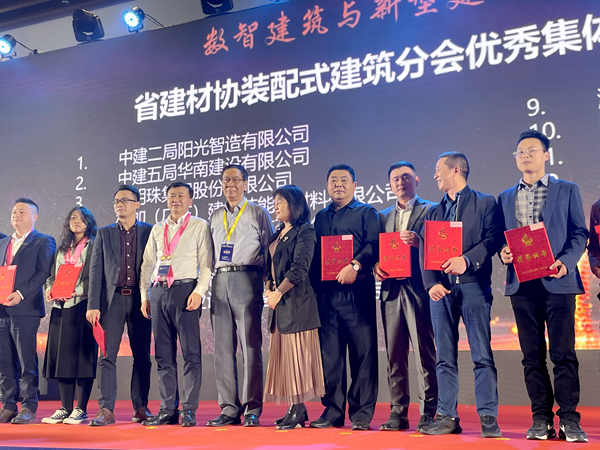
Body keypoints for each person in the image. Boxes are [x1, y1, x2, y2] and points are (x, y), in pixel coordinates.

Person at [498, 130, 589, 443]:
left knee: (564, 354)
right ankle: (541, 418)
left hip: (558, 281)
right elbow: (500, 238)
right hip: (522, 285)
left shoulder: (567, 189)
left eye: (532, 150)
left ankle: (570, 419)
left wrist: (566, 261)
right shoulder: (505, 197)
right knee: (531, 357)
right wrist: (503, 251)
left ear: (546, 155)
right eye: (520, 152)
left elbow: (579, 233)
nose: (525, 156)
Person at [419, 152, 502, 438]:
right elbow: (425, 249)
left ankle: (488, 416)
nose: (434, 175)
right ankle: (447, 416)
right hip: (442, 291)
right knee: (444, 357)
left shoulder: (485, 203)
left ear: (456, 170)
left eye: (438, 169)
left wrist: (466, 260)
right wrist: (431, 284)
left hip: (473, 285)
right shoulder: (434, 211)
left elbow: (492, 239)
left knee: (482, 354)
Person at [310, 164, 379, 431]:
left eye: (343, 180)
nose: (338, 184)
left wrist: (355, 265)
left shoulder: (366, 212)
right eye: (333, 180)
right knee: (331, 356)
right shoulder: (320, 217)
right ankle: (333, 411)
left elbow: (374, 244)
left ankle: (361, 414)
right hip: (326, 295)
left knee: (363, 354)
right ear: (327, 186)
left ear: (354, 185)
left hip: (357, 293)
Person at [139, 182, 213, 427]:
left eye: (181, 195)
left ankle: (188, 409)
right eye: (172, 196)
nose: (176, 200)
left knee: (191, 353)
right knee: (163, 354)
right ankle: (168, 408)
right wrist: (144, 296)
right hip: (158, 291)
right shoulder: (158, 228)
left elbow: (207, 263)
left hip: (185, 290)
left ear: (190, 200)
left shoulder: (199, 225)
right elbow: (147, 264)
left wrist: (199, 292)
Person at [207, 164, 274, 427]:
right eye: (226, 180)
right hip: (220, 279)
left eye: (236, 180)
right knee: (222, 348)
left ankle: (252, 408)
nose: (230, 185)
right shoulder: (215, 216)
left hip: (248, 278)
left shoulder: (258, 213)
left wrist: (268, 284)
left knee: (250, 346)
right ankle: (228, 408)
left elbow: (269, 251)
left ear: (246, 184)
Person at [374, 161, 437, 432]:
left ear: (417, 180)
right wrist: (376, 266)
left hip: (419, 288)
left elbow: (442, 246)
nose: (401, 182)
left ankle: (428, 411)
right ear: (390, 184)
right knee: (394, 355)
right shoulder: (381, 216)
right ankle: (398, 411)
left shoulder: (431, 209)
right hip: (391, 290)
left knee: (424, 353)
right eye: (396, 179)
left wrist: (420, 242)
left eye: (406, 177)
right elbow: (376, 250)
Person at [86, 185, 154, 426]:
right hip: (111, 300)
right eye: (116, 201)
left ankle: (141, 407)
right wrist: (93, 304)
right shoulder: (104, 234)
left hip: (140, 299)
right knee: (106, 354)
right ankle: (106, 409)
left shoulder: (150, 231)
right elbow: (95, 271)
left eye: (125, 200)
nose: (119, 204)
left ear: (137, 204)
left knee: (142, 355)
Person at [263, 185, 325, 430]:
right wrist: (269, 289)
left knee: (297, 359)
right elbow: (269, 266)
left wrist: (278, 292)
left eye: (281, 201)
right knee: (285, 360)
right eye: (275, 201)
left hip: (297, 303)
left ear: (295, 204)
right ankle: (295, 407)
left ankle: (298, 408)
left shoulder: (305, 231)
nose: (275, 206)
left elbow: (300, 267)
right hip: (279, 304)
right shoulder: (278, 232)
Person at [0, 198, 56, 424]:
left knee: (26, 360)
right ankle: (8, 404)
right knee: (4, 361)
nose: (16, 215)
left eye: (22, 212)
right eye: (14, 211)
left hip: (25, 309)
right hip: (2, 309)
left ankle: (29, 405)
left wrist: (20, 294)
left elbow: (43, 273)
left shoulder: (43, 241)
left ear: (35, 217)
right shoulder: (3, 242)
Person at [42, 207, 98, 425]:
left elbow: (95, 276)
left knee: (83, 358)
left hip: (82, 307)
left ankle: (81, 409)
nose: (77, 221)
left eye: (82, 219)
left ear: (88, 223)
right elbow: (51, 276)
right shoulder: (62, 248)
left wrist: (77, 291)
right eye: (73, 218)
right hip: (60, 308)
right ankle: (65, 407)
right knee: (61, 359)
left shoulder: (93, 246)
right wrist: (50, 289)